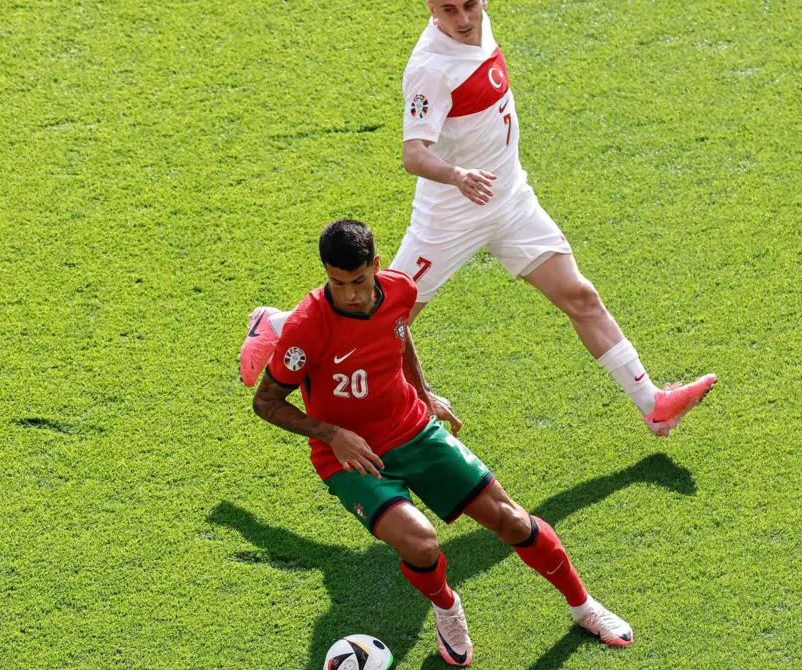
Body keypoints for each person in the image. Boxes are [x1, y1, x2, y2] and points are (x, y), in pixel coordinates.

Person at [242, 0, 716, 436]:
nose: (463, 19)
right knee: (378, 315)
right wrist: (458, 175)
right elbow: (412, 154)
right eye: (448, 10)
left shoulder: (479, 25)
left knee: (580, 295)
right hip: (449, 219)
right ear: (430, 8)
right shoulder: (430, 69)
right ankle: (278, 325)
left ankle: (652, 402)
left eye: (470, 4)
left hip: (511, 201)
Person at [252, 219, 633, 665]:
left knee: (511, 520)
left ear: (375, 266)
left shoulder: (398, 291)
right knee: (421, 543)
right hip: (352, 457)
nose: (350, 293)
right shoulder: (307, 326)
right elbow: (266, 402)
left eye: (358, 281)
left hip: (412, 428)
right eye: (338, 283)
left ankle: (584, 607)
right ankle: (447, 607)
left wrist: (424, 392)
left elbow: (398, 332)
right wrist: (332, 434)